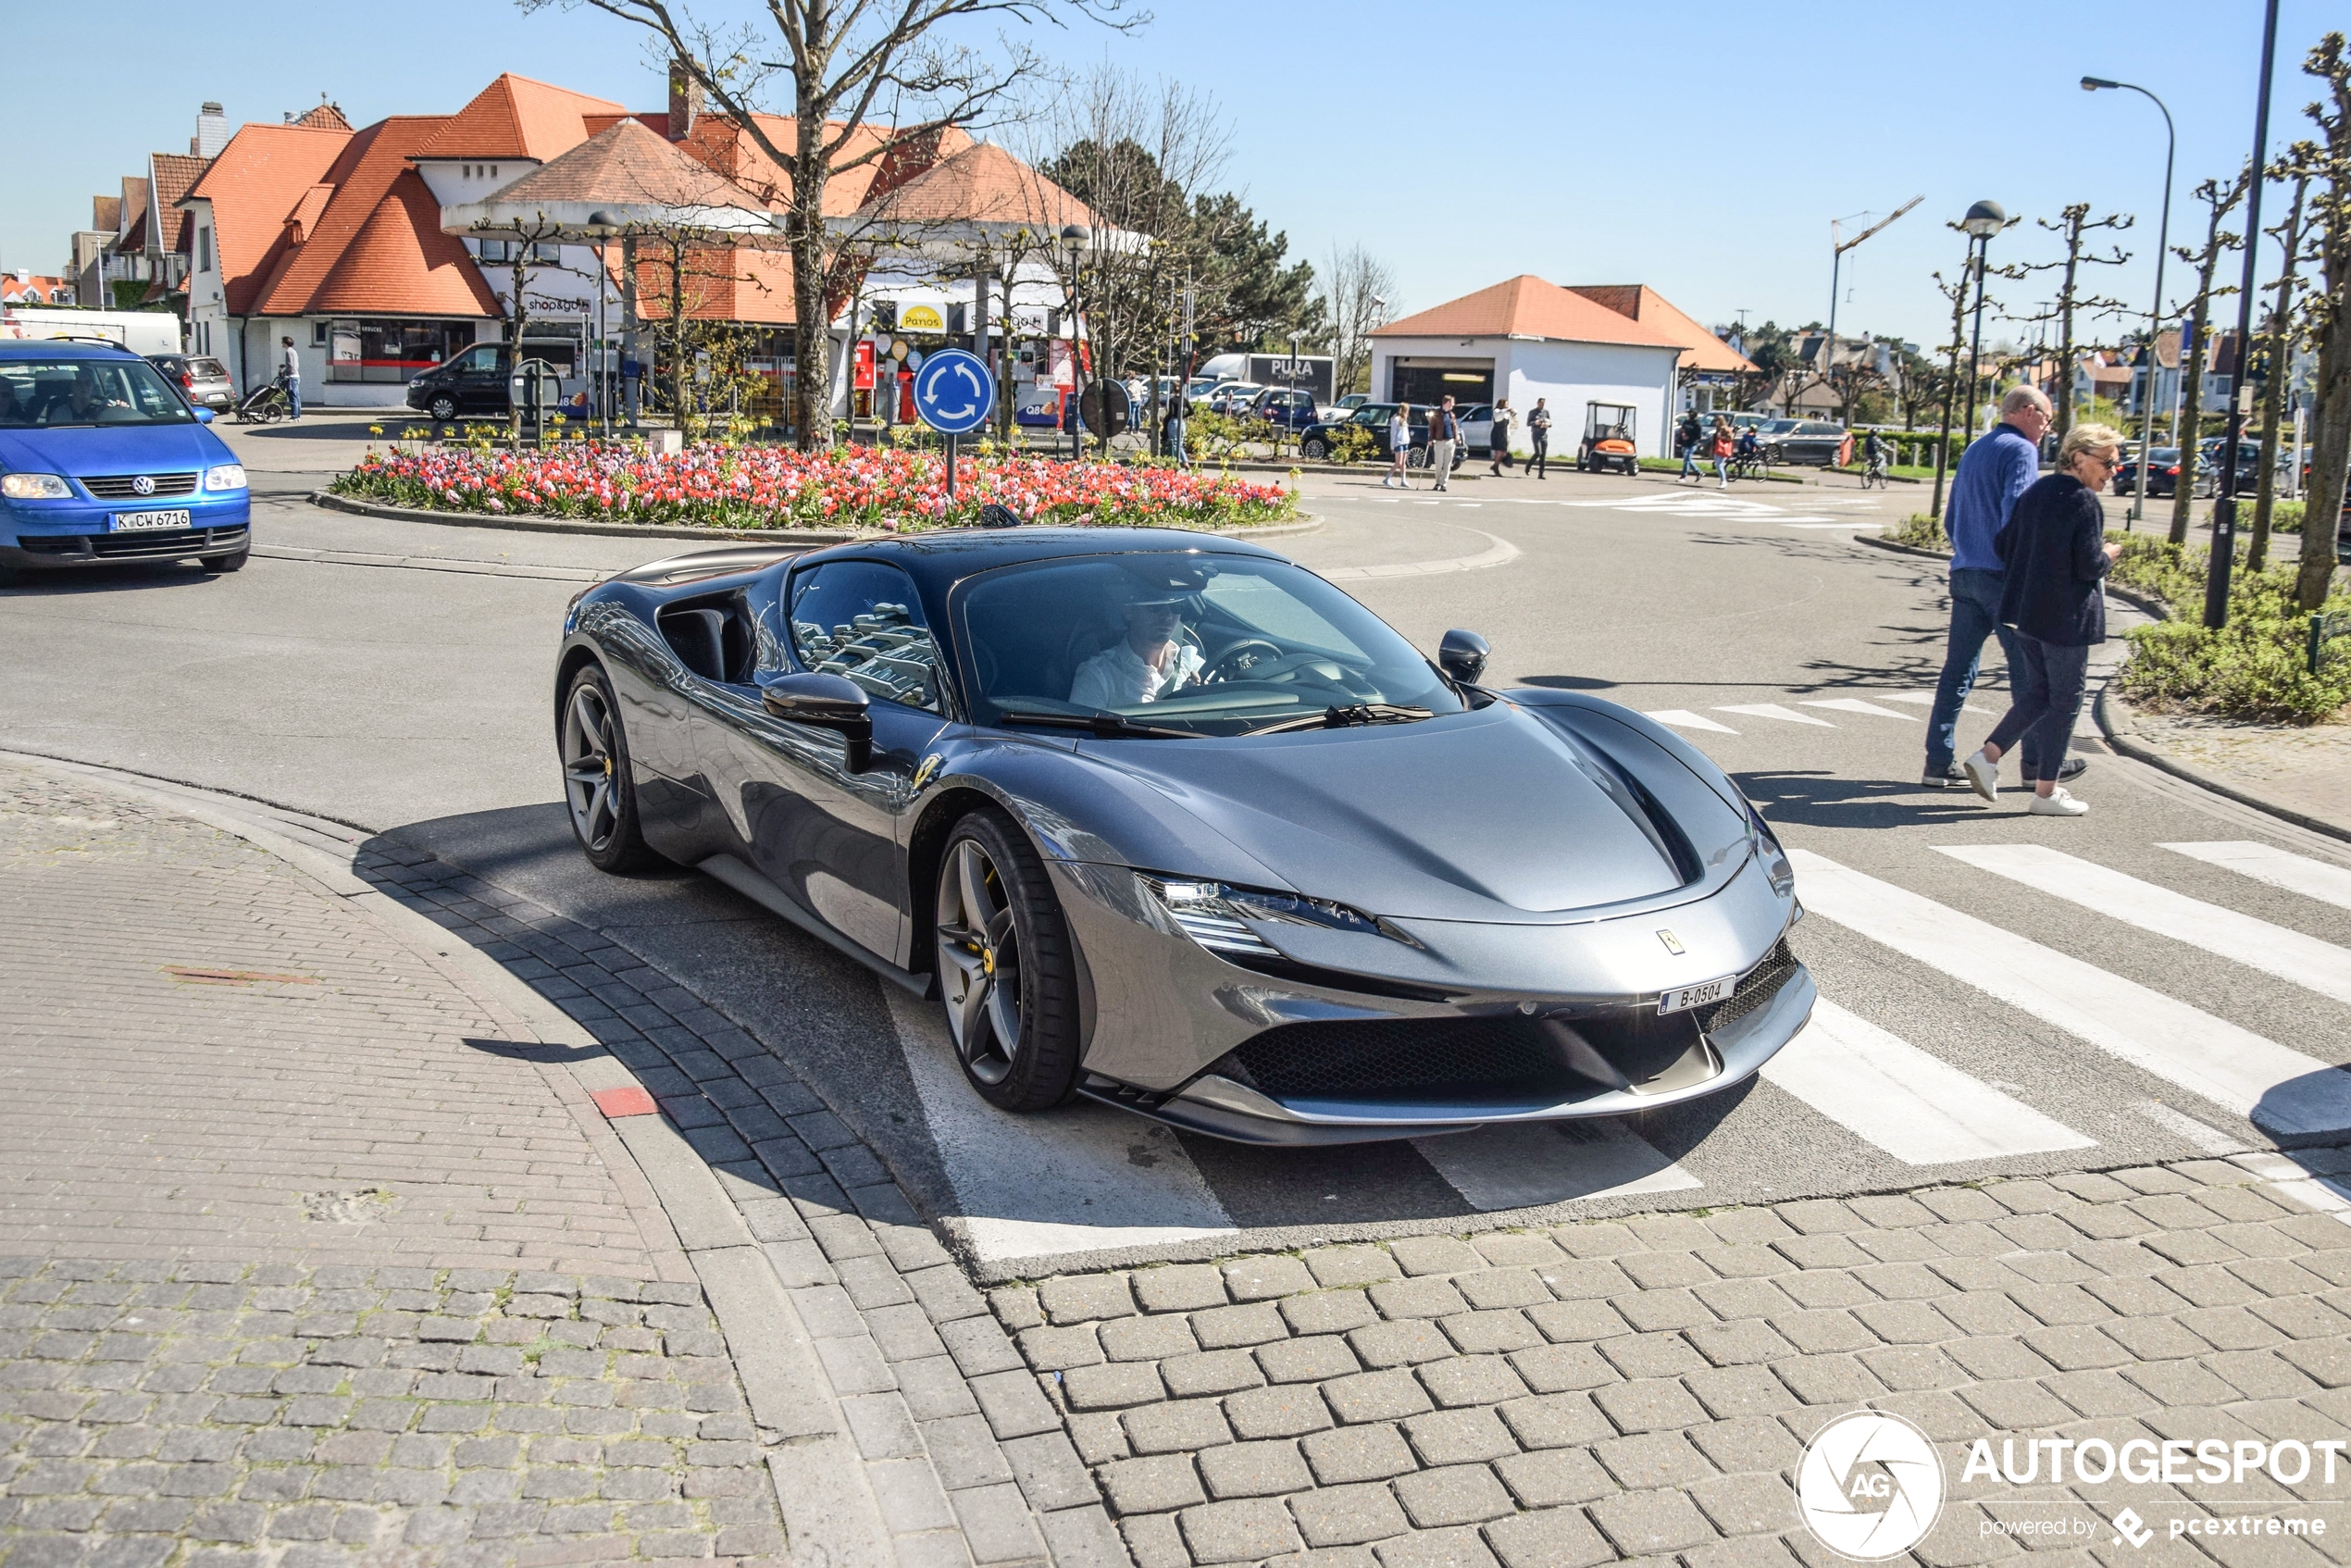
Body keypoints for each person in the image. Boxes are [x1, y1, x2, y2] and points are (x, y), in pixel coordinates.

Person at [1920, 385, 2083, 790]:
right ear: (2027, 412)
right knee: (2031, 674)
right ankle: (2036, 765)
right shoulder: (2021, 451)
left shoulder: (1975, 448)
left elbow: (1952, 516)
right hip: (2003, 578)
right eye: (2046, 419)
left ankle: (1938, 761)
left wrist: (1967, 550)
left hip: (1965, 572)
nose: (2046, 429)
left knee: (1958, 669)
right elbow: (2019, 514)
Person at [1959, 423, 2125, 816]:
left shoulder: (2036, 492)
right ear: (2080, 457)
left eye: (2116, 464)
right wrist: (2109, 555)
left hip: (2026, 614)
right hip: (2065, 618)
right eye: (2108, 463)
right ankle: (2046, 793)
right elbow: (2088, 565)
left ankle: (1989, 755)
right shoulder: (2083, 502)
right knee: (2066, 702)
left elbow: (2003, 544)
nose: (2112, 472)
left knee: (2039, 694)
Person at [1070, 590, 1204, 709]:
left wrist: (1194, 702)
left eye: (1176, 607)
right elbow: (1080, 734)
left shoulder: (1190, 659)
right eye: (1156, 607)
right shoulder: (1098, 675)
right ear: (1129, 612)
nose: (1168, 616)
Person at [1428, 396, 1460, 492]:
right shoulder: (1437, 413)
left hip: (1450, 441)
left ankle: (1443, 484)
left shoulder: (1451, 415)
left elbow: (1454, 426)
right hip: (1439, 441)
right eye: (1452, 402)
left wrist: (1456, 436)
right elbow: (1431, 427)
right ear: (1447, 403)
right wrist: (1430, 439)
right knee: (1438, 464)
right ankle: (1438, 482)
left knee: (1447, 464)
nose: (1453, 404)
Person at [1385, 404, 1412, 490]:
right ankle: (1387, 478)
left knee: (1403, 463)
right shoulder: (1396, 419)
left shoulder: (1404, 420)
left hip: (1404, 443)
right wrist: (1392, 445)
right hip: (1398, 443)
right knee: (1398, 462)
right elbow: (1393, 433)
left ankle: (1403, 480)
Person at [1678, 412, 1708, 485]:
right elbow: (1682, 429)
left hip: (1692, 444)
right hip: (1685, 443)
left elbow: (1698, 436)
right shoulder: (1686, 421)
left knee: (1687, 460)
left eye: (1691, 414)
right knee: (1687, 460)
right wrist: (1682, 434)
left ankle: (1683, 476)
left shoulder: (1697, 424)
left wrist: (1689, 437)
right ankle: (1699, 472)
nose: (1689, 415)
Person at [1525, 398, 1551, 479]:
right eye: (1540, 403)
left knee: (1543, 456)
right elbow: (1528, 423)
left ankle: (1541, 474)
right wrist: (1535, 422)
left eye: (1543, 404)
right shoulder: (1532, 412)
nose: (1541, 405)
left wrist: (1547, 424)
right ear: (1537, 403)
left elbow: (1550, 423)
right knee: (1538, 452)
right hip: (1536, 434)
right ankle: (1528, 466)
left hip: (1543, 435)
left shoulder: (1546, 412)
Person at [279, 336, 302, 419]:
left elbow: (291, 365)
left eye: (282, 342)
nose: (282, 344)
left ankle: (294, 416)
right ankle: (298, 415)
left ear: (285, 343)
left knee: (292, 397)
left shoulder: (288, 352)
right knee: (296, 396)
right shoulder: (294, 351)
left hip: (291, 377)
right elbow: (294, 364)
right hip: (296, 376)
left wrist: (284, 373)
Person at [1488, 401, 1513, 475]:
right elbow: (1498, 418)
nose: (1507, 406)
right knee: (1499, 451)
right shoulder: (1497, 411)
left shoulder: (1506, 414)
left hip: (1504, 433)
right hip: (1497, 433)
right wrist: (1507, 410)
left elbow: (1507, 425)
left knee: (1504, 451)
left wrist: (1509, 435)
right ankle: (1496, 467)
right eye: (1506, 404)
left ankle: (1495, 465)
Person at [1163, 398, 1188, 467]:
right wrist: (1183, 416)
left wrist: (1166, 419)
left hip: (1174, 422)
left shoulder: (1172, 400)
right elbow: (1191, 411)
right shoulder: (1184, 400)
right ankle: (1185, 462)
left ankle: (1176, 463)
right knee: (1180, 444)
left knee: (1174, 444)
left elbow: (1172, 413)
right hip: (1182, 423)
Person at [1710, 417, 1734, 489]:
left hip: (1722, 449)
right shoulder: (1718, 429)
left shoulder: (1725, 428)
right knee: (1717, 465)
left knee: (1719, 465)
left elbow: (1730, 438)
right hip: (1717, 448)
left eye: (1716, 421)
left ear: (1720, 421)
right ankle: (1722, 480)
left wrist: (1721, 437)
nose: (1715, 422)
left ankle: (1724, 481)